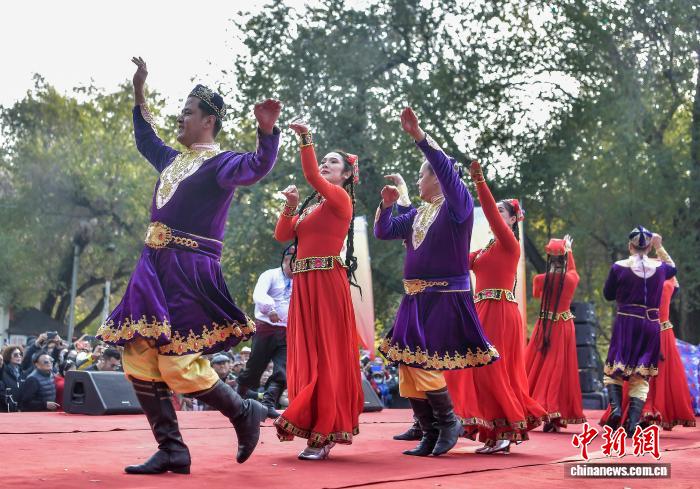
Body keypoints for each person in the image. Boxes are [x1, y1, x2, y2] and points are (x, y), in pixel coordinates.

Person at [95, 57, 282, 474]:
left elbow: (256, 166)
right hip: (152, 269)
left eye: (187, 112)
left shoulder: (221, 164)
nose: (180, 118)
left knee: (177, 362)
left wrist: (267, 133)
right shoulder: (172, 161)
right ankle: (172, 449)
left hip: (188, 272)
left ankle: (243, 412)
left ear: (208, 121)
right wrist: (139, 90)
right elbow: (145, 138)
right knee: (138, 356)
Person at [375, 108, 498, 457]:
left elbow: (446, 168)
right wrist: (387, 206)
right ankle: (430, 432)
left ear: (437, 178)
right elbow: (384, 231)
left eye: (420, 176)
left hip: (444, 296)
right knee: (407, 362)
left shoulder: (458, 205)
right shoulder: (418, 213)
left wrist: (419, 136)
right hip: (414, 298)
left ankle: (448, 422)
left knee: (425, 361)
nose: (417, 183)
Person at [273, 120, 364, 460]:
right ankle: (312, 423)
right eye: (323, 160)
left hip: (326, 283)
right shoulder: (312, 207)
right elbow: (283, 235)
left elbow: (311, 174)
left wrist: (305, 137)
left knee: (326, 355)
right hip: (305, 285)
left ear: (347, 175)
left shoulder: (340, 198)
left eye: (333, 162)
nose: (325, 164)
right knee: (307, 354)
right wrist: (291, 205)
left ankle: (325, 430)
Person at [444, 161, 547, 454]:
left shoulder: (509, 243)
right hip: (481, 312)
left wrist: (479, 182)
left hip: (500, 312)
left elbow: (488, 211)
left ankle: (506, 428)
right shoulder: (487, 248)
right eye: (497, 211)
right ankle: (493, 430)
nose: (495, 214)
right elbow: (456, 259)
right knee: (473, 369)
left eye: (502, 212)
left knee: (493, 370)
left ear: (513, 219)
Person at [601, 229, 677, 436]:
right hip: (651, 324)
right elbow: (673, 268)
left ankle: (616, 409)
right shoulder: (660, 268)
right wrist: (660, 247)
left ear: (630, 246)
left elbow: (608, 294)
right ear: (649, 247)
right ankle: (633, 424)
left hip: (626, 322)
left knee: (613, 370)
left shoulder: (619, 267)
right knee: (641, 376)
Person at [524, 236, 586, 432]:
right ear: (565, 258)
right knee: (559, 368)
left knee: (538, 366)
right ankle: (554, 412)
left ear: (549, 257)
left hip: (545, 325)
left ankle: (536, 407)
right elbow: (573, 270)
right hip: (564, 326)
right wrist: (570, 250)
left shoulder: (540, 279)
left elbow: (537, 295)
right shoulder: (572, 279)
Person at [237, 246, 294, 419]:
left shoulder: (302, 279)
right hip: (266, 328)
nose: (298, 268)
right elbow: (259, 294)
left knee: (283, 369)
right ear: (286, 260)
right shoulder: (270, 275)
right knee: (254, 368)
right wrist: (270, 309)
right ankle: (239, 394)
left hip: (288, 331)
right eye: (295, 263)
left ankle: (268, 402)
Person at [1, 346, 25, 412]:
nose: (19, 356)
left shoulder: (22, 372)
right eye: (15, 355)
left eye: (20, 354)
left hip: (21, 411)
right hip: (6, 410)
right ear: (8, 356)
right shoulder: (2, 372)